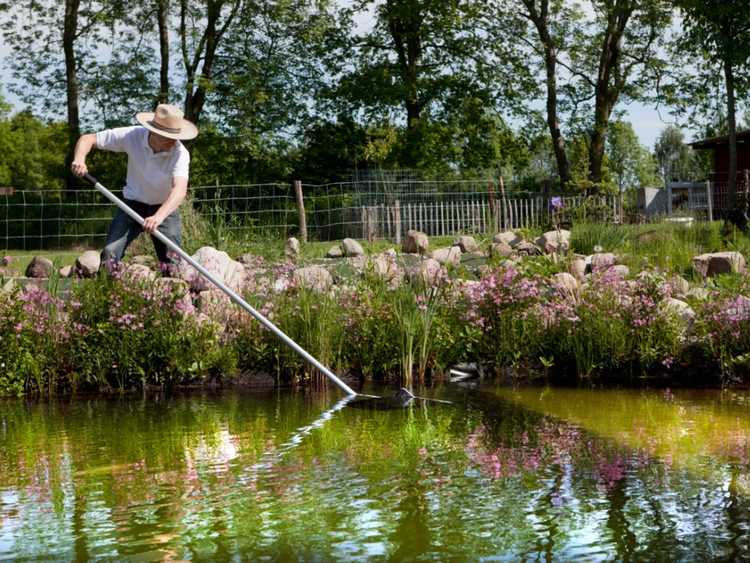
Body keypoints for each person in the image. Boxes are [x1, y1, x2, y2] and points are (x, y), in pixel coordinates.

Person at [70, 103, 198, 271]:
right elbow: (89, 139)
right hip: (132, 204)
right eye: (168, 137)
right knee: (110, 253)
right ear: (154, 132)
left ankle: (174, 292)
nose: (173, 141)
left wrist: (158, 217)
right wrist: (79, 159)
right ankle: (108, 291)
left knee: (172, 261)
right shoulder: (132, 136)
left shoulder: (180, 154)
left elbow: (179, 190)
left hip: (163, 208)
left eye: (176, 136)